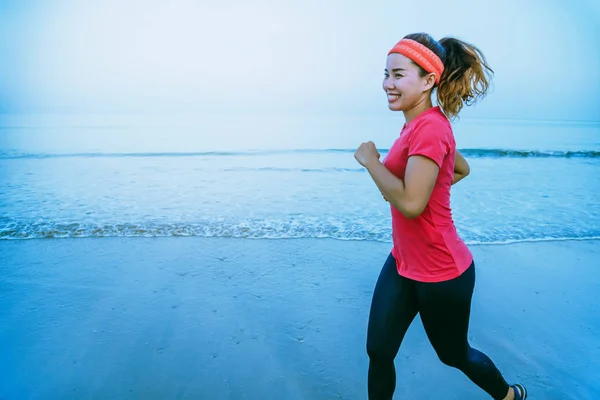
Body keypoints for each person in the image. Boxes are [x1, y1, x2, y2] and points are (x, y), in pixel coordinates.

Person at [353, 33, 528, 400]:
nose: (387, 83)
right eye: (385, 74)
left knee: (453, 354)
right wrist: (422, 187)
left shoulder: (430, 128)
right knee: (379, 351)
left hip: (442, 270)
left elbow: (413, 204)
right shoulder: (418, 124)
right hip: (403, 262)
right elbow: (459, 168)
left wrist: (371, 162)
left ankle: (510, 396)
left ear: (429, 79)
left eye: (398, 75)